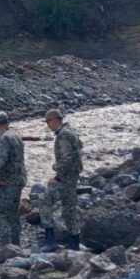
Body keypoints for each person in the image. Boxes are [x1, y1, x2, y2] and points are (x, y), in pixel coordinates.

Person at [40, 108, 84, 251]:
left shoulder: (63, 135)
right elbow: (80, 148)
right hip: (73, 178)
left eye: (48, 122)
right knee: (69, 210)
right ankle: (74, 243)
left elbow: (67, 160)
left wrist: (57, 176)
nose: (47, 125)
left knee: (44, 200)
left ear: (54, 120)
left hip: (65, 179)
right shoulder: (71, 131)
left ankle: (50, 241)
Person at [0, 111, 26, 245]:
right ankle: (16, 244)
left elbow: (0, 162)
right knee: (13, 212)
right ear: (7, 121)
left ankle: (6, 246)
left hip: (8, 181)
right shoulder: (16, 135)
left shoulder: (4, 138)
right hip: (19, 179)